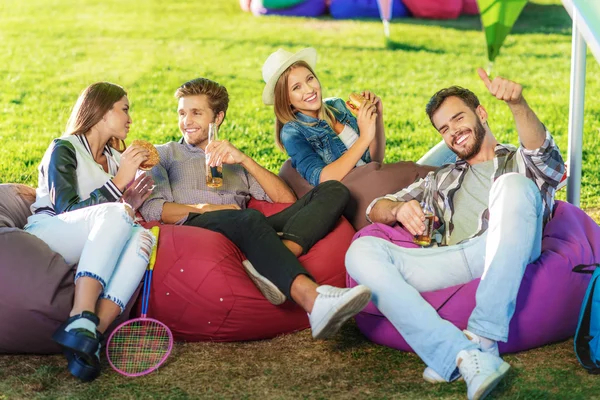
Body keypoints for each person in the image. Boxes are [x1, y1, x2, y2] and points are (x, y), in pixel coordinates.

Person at [345, 69, 565, 400]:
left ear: (481, 113)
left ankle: (484, 333)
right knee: (360, 254)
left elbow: (545, 156)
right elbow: (374, 207)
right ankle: (462, 354)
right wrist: (397, 209)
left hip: (510, 247)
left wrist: (518, 104)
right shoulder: (441, 179)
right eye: (444, 129)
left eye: (458, 119)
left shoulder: (519, 161)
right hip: (455, 258)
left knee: (512, 184)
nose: (453, 133)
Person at [139, 77, 372, 340]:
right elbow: (153, 210)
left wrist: (244, 160)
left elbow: (286, 201)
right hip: (199, 227)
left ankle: (272, 259)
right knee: (248, 217)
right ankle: (313, 299)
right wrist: (209, 209)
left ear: (218, 117)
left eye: (196, 113)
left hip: (248, 229)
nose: (186, 121)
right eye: (182, 113)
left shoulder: (234, 162)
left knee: (335, 191)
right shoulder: (166, 154)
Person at [24, 82, 157, 382]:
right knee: (119, 212)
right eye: (124, 109)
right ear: (101, 111)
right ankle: (81, 316)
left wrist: (131, 201)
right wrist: (119, 185)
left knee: (143, 237)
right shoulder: (65, 147)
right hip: (48, 232)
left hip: (88, 240)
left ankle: (92, 337)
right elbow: (68, 210)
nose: (130, 119)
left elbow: (109, 219)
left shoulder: (112, 159)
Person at [261, 47, 456, 187]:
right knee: (436, 173)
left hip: (377, 176)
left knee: (453, 149)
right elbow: (323, 178)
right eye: (297, 87)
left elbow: (374, 159)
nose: (309, 89)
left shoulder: (336, 106)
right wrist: (363, 138)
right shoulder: (293, 132)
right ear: (286, 100)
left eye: (310, 78)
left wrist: (376, 119)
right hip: (362, 194)